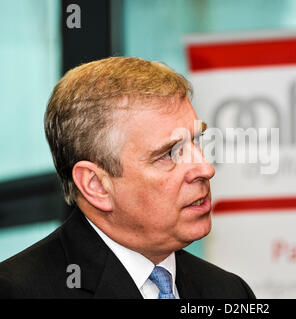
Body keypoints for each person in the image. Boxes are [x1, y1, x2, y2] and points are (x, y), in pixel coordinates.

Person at [0, 57, 255, 299]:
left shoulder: (229, 291)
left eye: (197, 141)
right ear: (96, 185)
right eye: (169, 153)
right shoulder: (18, 291)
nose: (205, 169)